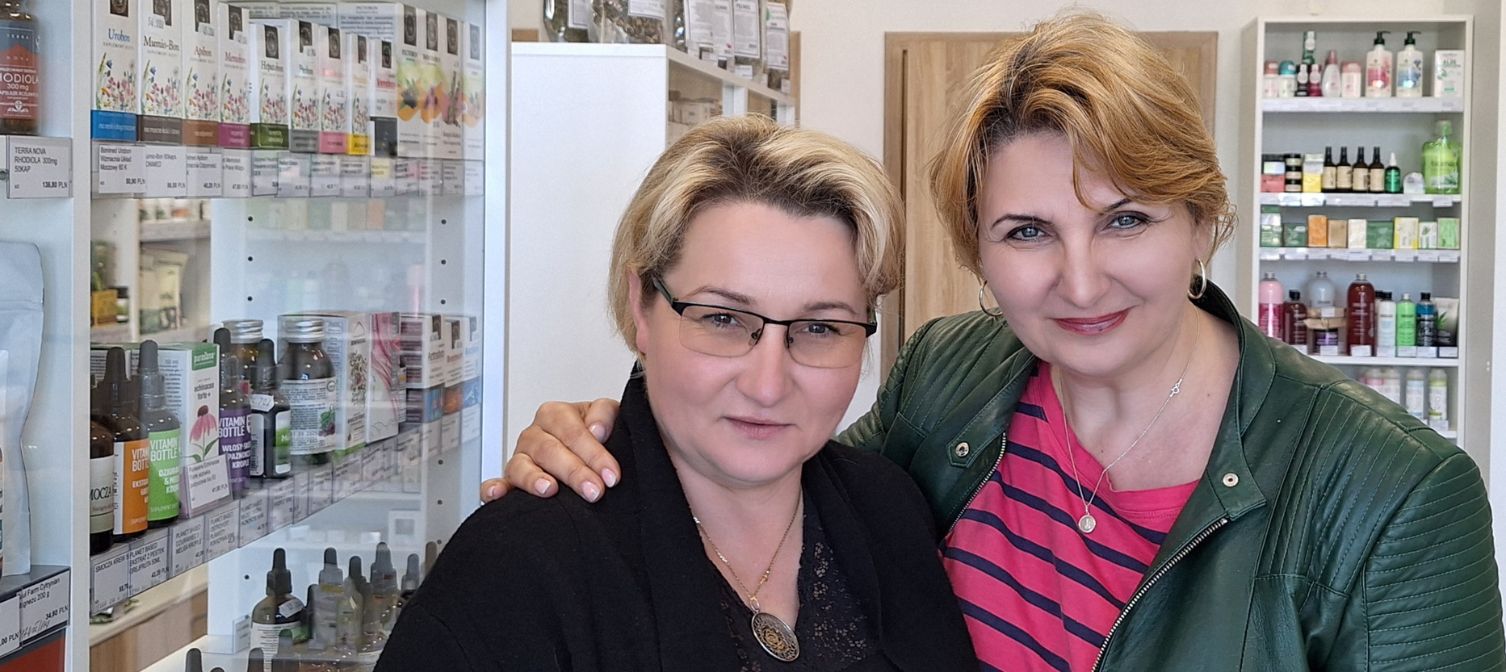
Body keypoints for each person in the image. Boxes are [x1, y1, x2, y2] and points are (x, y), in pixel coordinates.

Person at [483, 11, 1506, 672]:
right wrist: (614, 437)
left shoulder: (1394, 495)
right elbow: (776, 472)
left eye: (1126, 219)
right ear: (977, 248)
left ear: (1204, 222)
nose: (1080, 280)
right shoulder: (950, 380)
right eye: (1027, 232)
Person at [378, 115, 978, 671]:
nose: (767, 385)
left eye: (820, 328)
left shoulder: (890, 511)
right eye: (722, 319)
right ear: (641, 307)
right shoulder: (515, 571)